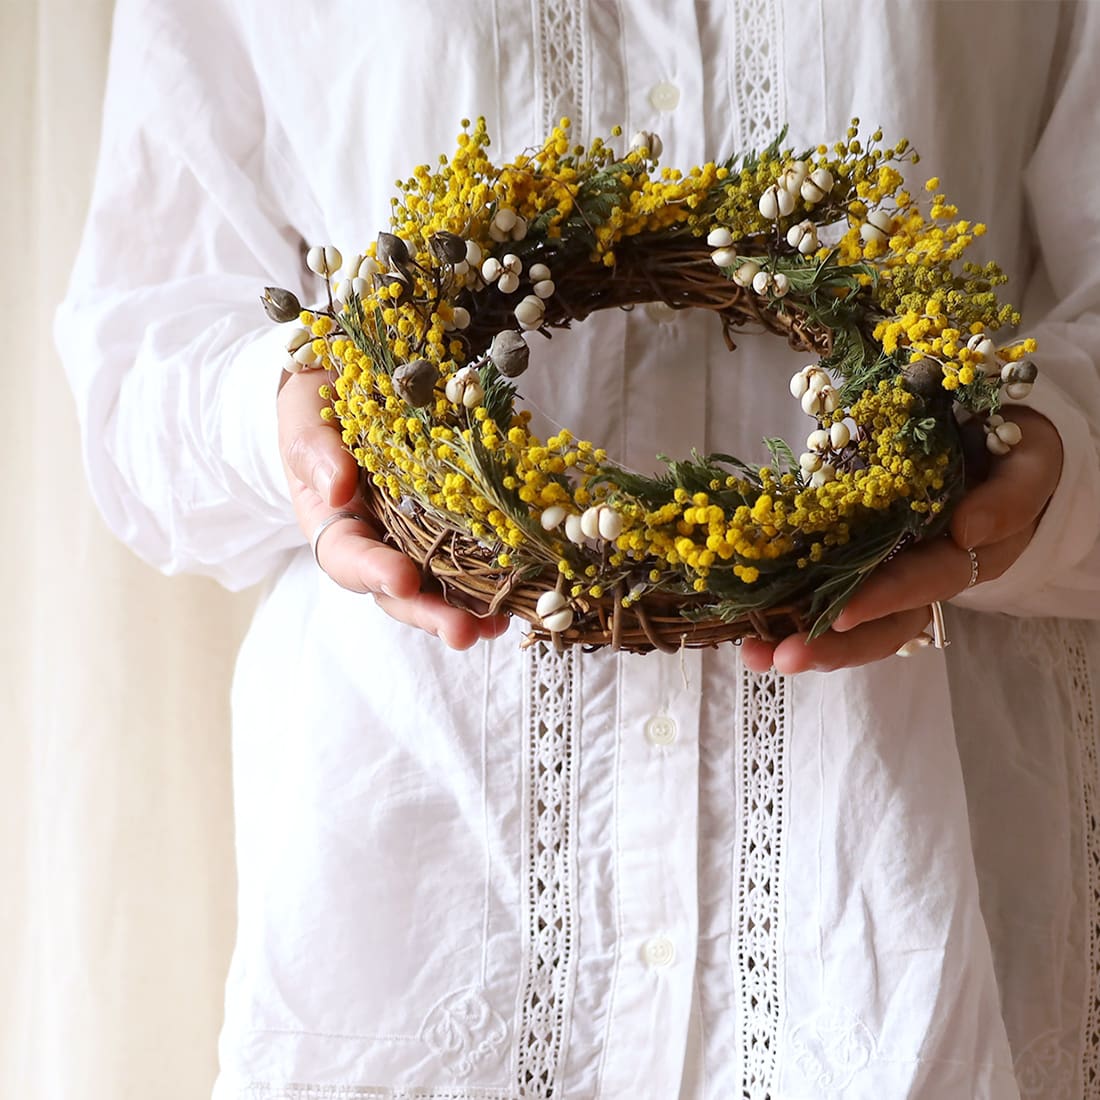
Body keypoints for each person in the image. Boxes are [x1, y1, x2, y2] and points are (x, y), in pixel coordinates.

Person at [56, 1, 1100, 1097]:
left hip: (882, 906)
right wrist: (279, 409)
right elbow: (142, 358)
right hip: (425, 896)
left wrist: (1048, 458)